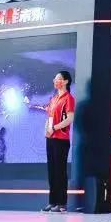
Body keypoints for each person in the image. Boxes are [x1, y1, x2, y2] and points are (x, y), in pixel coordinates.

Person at [44, 70, 75, 213]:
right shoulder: (54, 98)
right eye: (55, 78)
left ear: (66, 81)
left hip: (61, 139)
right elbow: (50, 116)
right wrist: (47, 129)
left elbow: (69, 119)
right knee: (52, 171)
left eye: (59, 79)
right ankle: (52, 202)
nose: (56, 81)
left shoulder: (69, 98)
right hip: (50, 138)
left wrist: (55, 128)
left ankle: (62, 203)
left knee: (60, 171)